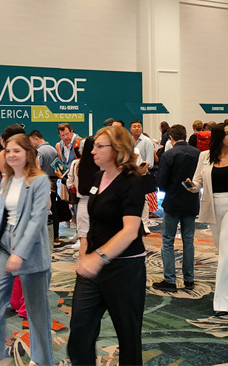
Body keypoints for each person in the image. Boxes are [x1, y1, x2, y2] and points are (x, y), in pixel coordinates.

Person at [67, 126, 146, 366]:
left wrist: (98, 257)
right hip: (93, 268)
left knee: (128, 336)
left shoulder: (132, 182)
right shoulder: (98, 177)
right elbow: (93, 222)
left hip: (124, 268)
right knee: (80, 331)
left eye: (100, 146)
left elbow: (130, 230)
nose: (92, 151)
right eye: (94, 147)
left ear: (117, 149)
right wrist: (85, 251)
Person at [0, 134, 53, 366]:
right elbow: (3, 218)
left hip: (31, 251)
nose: (11, 155)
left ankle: (41, 360)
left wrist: (20, 252)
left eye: (17, 151)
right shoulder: (6, 180)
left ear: (28, 154)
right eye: (8, 151)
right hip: (4, 247)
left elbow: (36, 220)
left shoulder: (39, 181)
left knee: (36, 313)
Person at [188, 123, 228, 314]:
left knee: (226, 253)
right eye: (226, 134)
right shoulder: (205, 156)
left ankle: (223, 302)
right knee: (224, 250)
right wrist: (191, 186)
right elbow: (198, 181)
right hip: (213, 207)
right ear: (217, 137)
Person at [154, 124, 201, 291]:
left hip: (172, 201)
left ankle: (170, 280)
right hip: (191, 201)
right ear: (185, 135)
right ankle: (189, 279)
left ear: (171, 138)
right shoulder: (198, 153)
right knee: (188, 241)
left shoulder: (168, 154)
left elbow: (161, 182)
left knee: (168, 240)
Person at [66, 136, 99, 250]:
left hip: (83, 201)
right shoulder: (101, 165)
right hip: (98, 202)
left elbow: (70, 181)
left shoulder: (76, 164)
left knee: (84, 237)